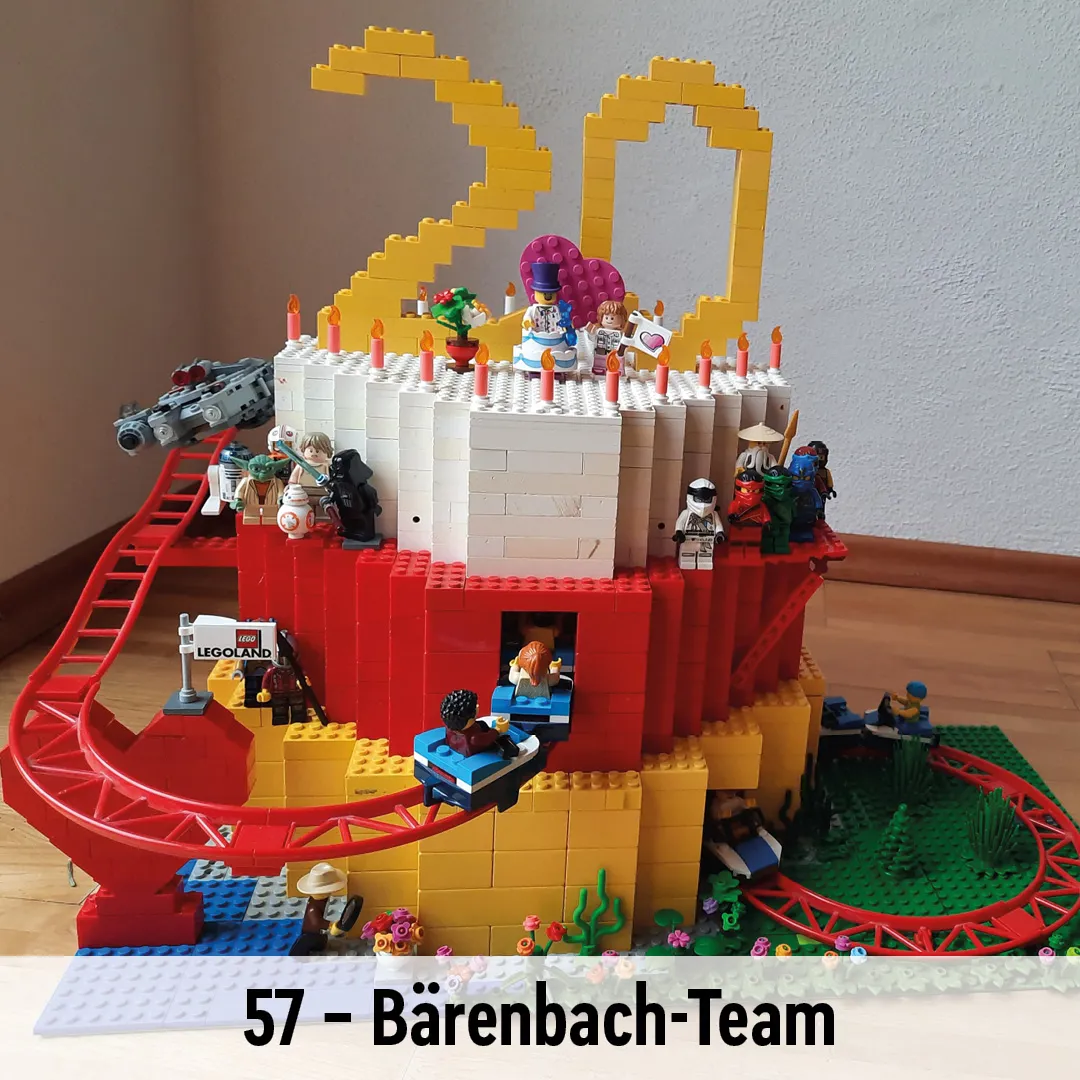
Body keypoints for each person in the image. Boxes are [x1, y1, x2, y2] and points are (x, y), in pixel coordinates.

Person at [289, 863, 353, 957]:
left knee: (321, 942)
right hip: (310, 934)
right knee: (310, 943)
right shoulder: (313, 908)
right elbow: (316, 922)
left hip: (316, 933)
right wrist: (330, 925)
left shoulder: (319, 901)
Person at [440, 689, 518, 759]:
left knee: (482, 724)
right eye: (475, 707)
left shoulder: (450, 727)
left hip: (461, 746)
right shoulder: (474, 738)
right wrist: (498, 729)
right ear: (469, 720)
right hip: (480, 749)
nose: (477, 706)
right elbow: (487, 738)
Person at [672, 478, 725, 570]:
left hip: (707, 540)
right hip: (688, 539)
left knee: (705, 557)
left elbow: (718, 526)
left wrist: (719, 534)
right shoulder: (686, 513)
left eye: (707, 500)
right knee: (687, 556)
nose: (703, 505)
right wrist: (679, 533)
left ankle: (704, 563)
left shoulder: (714, 514)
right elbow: (680, 523)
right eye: (698, 499)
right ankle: (686, 562)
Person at [588, 300, 628, 375]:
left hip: (615, 350)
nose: (609, 320)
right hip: (601, 349)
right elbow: (593, 339)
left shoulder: (620, 333)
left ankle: (618, 368)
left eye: (612, 318)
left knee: (617, 357)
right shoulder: (599, 331)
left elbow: (626, 342)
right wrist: (591, 334)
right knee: (599, 355)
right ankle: (599, 367)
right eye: (606, 317)